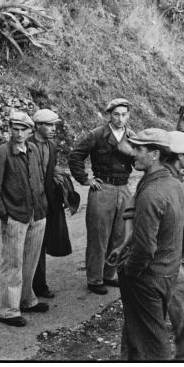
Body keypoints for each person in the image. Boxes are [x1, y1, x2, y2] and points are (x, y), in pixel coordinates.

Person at [109, 130, 184, 360]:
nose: (133, 154)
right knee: (140, 329)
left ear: (154, 154)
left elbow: (144, 248)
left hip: (147, 277)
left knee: (152, 340)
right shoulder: (174, 185)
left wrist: (130, 271)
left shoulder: (152, 192)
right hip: (166, 272)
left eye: (139, 150)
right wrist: (171, 261)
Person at [0, 111, 49, 327]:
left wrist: (43, 207)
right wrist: (5, 215)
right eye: (15, 128)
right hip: (15, 216)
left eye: (23, 129)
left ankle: (27, 299)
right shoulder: (3, 153)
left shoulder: (33, 149)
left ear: (31, 131)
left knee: (30, 261)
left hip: (37, 214)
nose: (19, 133)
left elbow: (39, 179)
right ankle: (8, 310)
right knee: (12, 264)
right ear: (10, 129)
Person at [69, 98, 135, 295]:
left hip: (123, 188)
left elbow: (140, 160)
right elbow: (75, 157)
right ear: (109, 115)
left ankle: (109, 273)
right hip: (102, 188)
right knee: (99, 235)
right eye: (116, 114)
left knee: (120, 234)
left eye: (124, 114)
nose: (120, 118)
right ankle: (94, 278)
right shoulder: (97, 134)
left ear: (129, 116)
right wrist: (86, 180)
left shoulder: (132, 137)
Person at [30, 109, 72, 299]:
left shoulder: (52, 146)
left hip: (46, 202)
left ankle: (39, 285)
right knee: (28, 246)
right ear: (38, 126)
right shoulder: (27, 144)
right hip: (29, 204)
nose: (53, 128)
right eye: (49, 125)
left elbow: (50, 170)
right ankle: (28, 286)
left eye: (54, 125)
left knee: (41, 243)